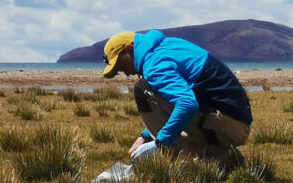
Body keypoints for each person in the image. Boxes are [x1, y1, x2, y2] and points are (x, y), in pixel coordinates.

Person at [101, 30, 253, 168]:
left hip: (227, 124)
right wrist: (145, 136)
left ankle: (186, 164)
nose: (126, 73)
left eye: (121, 65)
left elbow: (187, 104)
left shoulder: (155, 64)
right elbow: (181, 99)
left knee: (142, 89)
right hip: (236, 122)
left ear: (129, 49)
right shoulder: (168, 46)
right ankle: (223, 158)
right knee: (174, 129)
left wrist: (160, 143)